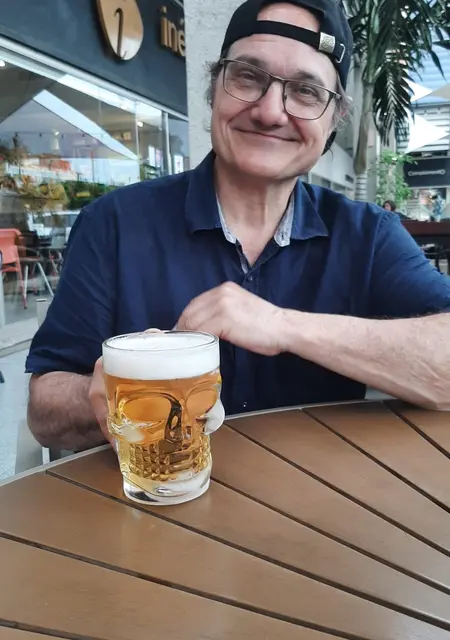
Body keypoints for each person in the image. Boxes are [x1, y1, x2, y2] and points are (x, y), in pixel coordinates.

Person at [26, 0, 450, 453]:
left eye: (306, 91)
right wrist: (111, 392)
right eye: (248, 76)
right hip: (152, 490)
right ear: (215, 89)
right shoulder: (113, 224)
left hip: (322, 490)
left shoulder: (368, 236)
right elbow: (44, 412)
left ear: (334, 121)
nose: (270, 111)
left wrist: (283, 326)